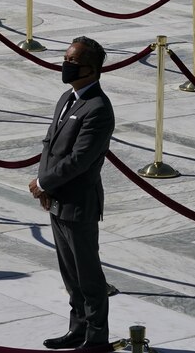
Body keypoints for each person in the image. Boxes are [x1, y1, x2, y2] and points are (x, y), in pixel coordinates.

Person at [29, 36, 114, 349]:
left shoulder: (98, 109)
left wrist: (44, 183)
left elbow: (80, 159)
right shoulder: (68, 97)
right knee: (69, 273)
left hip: (79, 202)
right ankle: (77, 329)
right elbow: (51, 145)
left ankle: (96, 337)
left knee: (88, 274)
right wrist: (45, 185)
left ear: (91, 70)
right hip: (57, 200)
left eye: (72, 62)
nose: (65, 65)